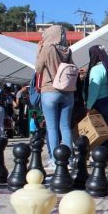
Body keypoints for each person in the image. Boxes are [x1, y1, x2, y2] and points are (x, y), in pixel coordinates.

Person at [35, 25, 74, 168]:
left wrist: (39, 51)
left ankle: (55, 160)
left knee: (52, 128)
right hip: (68, 92)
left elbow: (38, 69)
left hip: (50, 90)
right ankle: (69, 160)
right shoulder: (68, 50)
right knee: (65, 127)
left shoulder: (47, 48)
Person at [83, 45, 108, 150]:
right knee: (105, 128)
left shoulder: (96, 69)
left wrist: (88, 106)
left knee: (98, 130)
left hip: (99, 102)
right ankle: (105, 153)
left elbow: (94, 91)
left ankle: (99, 153)